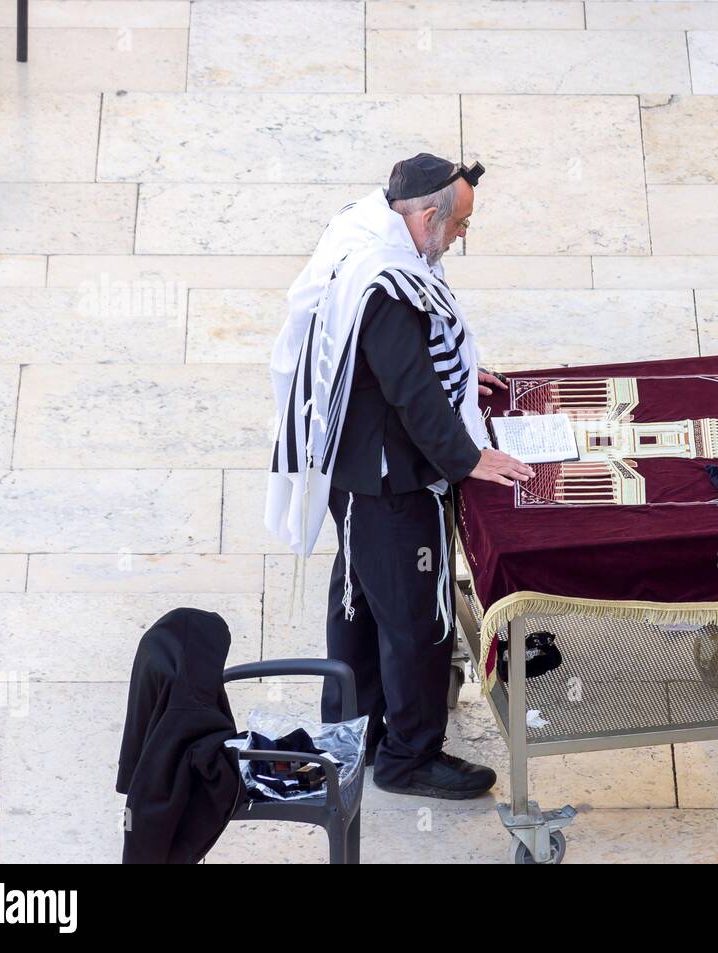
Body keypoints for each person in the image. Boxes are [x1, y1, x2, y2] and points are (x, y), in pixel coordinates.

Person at [265, 154, 533, 800]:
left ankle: (354, 726)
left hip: (352, 472)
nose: (462, 237)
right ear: (429, 214)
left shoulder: (362, 234)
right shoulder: (385, 285)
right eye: (462, 224)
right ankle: (409, 756)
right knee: (416, 618)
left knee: (359, 601)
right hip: (387, 483)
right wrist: (468, 457)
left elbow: (418, 358)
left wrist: (465, 376)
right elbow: (411, 389)